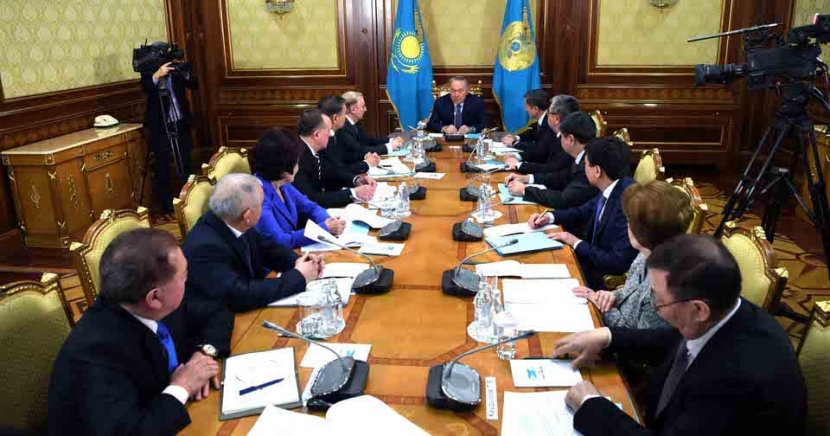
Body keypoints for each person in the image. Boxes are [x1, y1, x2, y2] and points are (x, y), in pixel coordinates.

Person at [553, 235, 807, 435]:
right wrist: (608, 337)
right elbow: (675, 341)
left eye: (658, 300)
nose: (654, 305)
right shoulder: (724, 307)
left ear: (698, 309)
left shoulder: (732, 382)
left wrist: (591, 406)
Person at [49, 228, 233, 435]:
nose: (187, 280)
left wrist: (204, 353)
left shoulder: (147, 301)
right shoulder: (95, 354)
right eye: (184, 275)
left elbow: (218, 312)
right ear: (154, 298)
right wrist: (183, 386)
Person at [182, 173, 324, 312]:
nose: (264, 207)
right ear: (248, 216)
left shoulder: (231, 217)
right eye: (262, 204)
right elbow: (241, 294)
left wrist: (299, 261)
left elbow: (266, 247)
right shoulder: (205, 248)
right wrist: (299, 277)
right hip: (223, 317)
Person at [572, 180, 694, 329]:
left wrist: (600, 305)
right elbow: (630, 291)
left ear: (642, 233)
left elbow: (634, 337)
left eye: (629, 220)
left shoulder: (663, 291)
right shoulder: (647, 252)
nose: (627, 225)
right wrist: (613, 296)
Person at [527, 135, 638, 290]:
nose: (584, 168)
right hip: (589, 260)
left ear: (597, 171)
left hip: (600, 281)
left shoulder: (627, 203)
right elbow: (582, 211)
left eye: (586, 164)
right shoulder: (613, 184)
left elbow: (616, 262)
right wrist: (549, 217)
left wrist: (575, 242)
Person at [253, 127, 347, 249]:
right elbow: (279, 241)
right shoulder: (258, 196)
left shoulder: (283, 183)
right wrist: (323, 228)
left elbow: (310, 207)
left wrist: (330, 221)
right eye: (296, 162)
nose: (298, 166)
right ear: (282, 168)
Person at [506, 111, 598, 209]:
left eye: (561, 136)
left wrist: (525, 190)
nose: (559, 139)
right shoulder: (581, 155)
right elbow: (561, 177)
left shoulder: (589, 165)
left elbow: (563, 199)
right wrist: (526, 178)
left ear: (571, 139)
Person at [141, 61, 197, 218]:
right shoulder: (148, 67)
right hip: (160, 125)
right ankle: (166, 206)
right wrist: (157, 75)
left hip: (180, 121)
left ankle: (191, 199)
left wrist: (185, 73)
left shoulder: (177, 69)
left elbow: (194, 84)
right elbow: (146, 87)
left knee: (186, 160)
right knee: (162, 164)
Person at [293, 109, 376, 208]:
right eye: (328, 130)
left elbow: (330, 172)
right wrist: (353, 193)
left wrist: (356, 180)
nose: (331, 134)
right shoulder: (297, 158)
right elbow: (310, 199)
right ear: (316, 134)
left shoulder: (314, 148)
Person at [503, 94, 579, 177]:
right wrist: (519, 159)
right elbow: (544, 153)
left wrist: (519, 165)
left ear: (556, 119)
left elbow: (552, 169)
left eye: (548, 113)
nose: (546, 116)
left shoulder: (567, 140)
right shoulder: (561, 134)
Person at [320, 95, 379, 174]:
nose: (346, 118)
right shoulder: (325, 140)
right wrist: (366, 163)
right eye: (344, 114)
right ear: (335, 118)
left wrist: (364, 156)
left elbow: (345, 156)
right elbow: (338, 171)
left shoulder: (336, 133)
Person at [338, 91, 404, 155]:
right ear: (353, 110)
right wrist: (390, 147)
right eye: (363, 106)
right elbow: (361, 151)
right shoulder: (342, 128)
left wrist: (391, 140)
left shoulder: (354, 122)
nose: (365, 109)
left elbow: (370, 141)